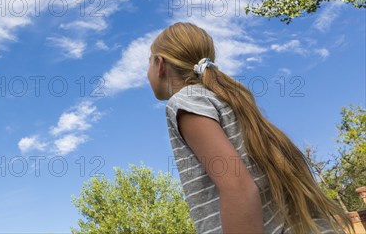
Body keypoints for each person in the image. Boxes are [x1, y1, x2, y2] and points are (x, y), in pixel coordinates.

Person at [146, 22, 352, 234]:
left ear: (160, 64)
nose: (147, 73)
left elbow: (239, 190)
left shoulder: (185, 102)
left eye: (148, 63)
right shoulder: (228, 99)